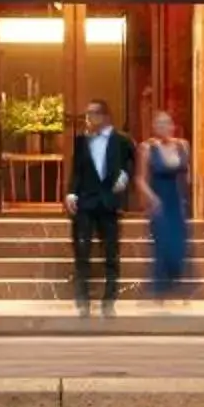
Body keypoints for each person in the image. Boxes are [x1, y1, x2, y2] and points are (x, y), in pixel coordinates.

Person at [66, 98, 135, 316]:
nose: (88, 118)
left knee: (111, 255)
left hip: (109, 204)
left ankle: (109, 301)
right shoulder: (81, 141)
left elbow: (132, 163)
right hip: (85, 204)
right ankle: (83, 302)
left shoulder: (122, 141)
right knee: (82, 253)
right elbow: (76, 170)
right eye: (87, 114)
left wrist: (125, 176)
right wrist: (71, 192)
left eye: (93, 113)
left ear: (105, 116)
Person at [139, 110, 191, 300]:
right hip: (159, 204)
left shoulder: (183, 145)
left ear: (172, 125)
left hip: (177, 202)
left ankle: (172, 284)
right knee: (163, 245)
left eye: (166, 123)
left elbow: (187, 173)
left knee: (178, 246)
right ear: (154, 127)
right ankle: (159, 292)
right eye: (159, 124)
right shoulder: (147, 148)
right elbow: (140, 179)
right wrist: (152, 198)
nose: (163, 127)